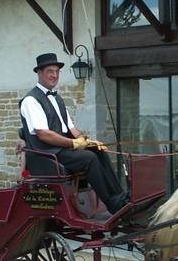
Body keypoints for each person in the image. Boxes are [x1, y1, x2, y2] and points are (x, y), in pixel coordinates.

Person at [19, 52, 129, 214]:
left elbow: (71, 129)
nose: (54, 75)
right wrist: (73, 143)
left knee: (96, 151)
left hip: (62, 151)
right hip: (46, 154)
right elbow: (43, 134)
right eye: (50, 71)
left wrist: (86, 140)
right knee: (89, 158)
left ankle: (119, 197)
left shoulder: (57, 99)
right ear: (40, 73)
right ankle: (112, 204)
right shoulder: (31, 100)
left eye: (57, 71)